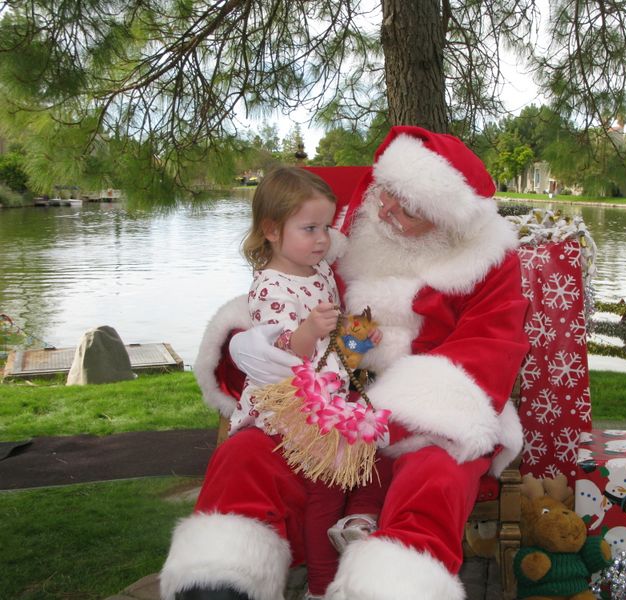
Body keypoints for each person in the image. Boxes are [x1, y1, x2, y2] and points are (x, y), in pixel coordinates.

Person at [160, 126, 530, 600]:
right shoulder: (352, 223)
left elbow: (488, 349)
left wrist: (383, 416)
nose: (387, 210)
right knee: (246, 455)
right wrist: (255, 345)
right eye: (387, 193)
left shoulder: (489, 260)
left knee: (434, 478)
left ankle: (391, 586)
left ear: (447, 222)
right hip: (328, 392)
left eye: (408, 209)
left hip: (430, 411)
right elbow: (282, 289)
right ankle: (223, 575)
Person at [198, 165, 385, 600]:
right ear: (271, 230)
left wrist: (356, 335)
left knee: (340, 481)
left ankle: (342, 553)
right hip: (290, 403)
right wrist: (308, 331)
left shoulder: (316, 270)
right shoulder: (269, 286)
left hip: (325, 390)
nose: (322, 239)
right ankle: (320, 587)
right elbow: (281, 350)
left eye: (326, 227)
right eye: (309, 228)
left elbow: (331, 346)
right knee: (324, 490)